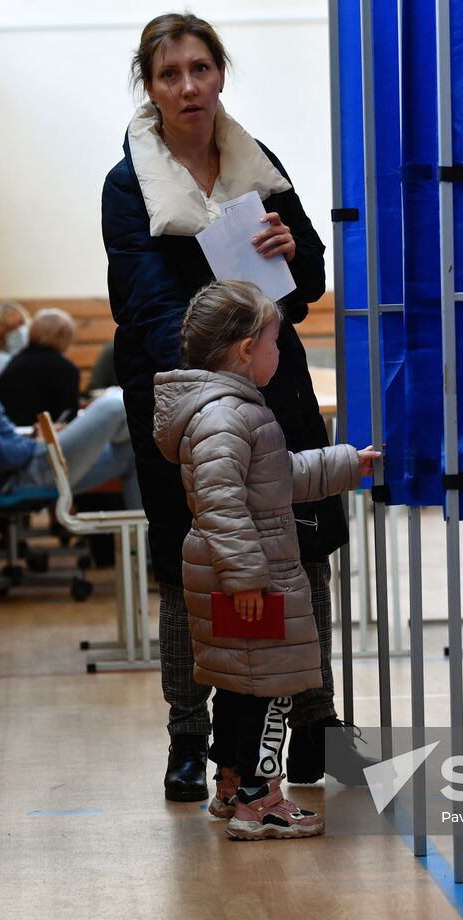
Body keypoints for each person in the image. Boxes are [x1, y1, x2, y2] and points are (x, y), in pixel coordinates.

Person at [103, 11, 369, 803]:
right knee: (198, 566)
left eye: (200, 68)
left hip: (273, 384)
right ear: (149, 88)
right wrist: (231, 364)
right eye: (169, 73)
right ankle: (194, 737)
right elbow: (151, 311)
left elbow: (312, 277)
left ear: (220, 74)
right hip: (190, 401)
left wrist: (294, 250)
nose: (189, 86)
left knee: (301, 550)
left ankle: (312, 722)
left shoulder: (260, 161)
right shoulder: (130, 184)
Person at [154, 281, 379, 838]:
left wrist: (350, 464)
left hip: (233, 574)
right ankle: (263, 802)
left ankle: (231, 787)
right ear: (247, 348)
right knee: (265, 688)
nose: (283, 355)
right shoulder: (226, 415)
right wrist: (248, 578)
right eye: (277, 343)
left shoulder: (227, 411)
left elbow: (275, 479)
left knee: (238, 683)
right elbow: (222, 502)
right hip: (248, 577)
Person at [0, 292, 140, 510]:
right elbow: (0, 457)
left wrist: (32, 435)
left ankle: (148, 547)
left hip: (26, 465)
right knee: (114, 404)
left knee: (134, 449)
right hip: (24, 473)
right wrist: (38, 443)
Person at [0, 308, 83, 427]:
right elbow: (69, 418)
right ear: (65, 336)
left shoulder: (15, 361)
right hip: (44, 439)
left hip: (7, 433)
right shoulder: (67, 370)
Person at [0, 301, 30, 390]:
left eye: (21, 324)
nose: (19, 331)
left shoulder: (27, 359)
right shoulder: (0, 361)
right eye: (12, 328)